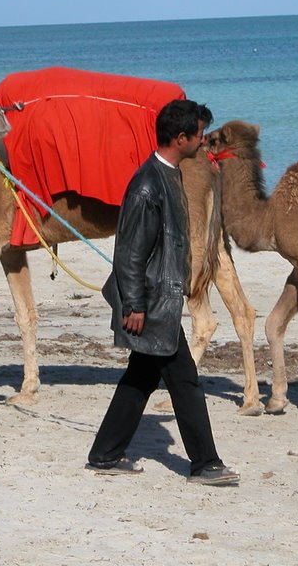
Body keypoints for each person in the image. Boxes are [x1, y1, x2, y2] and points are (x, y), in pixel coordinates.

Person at [86, 99, 239, 487]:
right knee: (184, 381)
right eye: (200, 134)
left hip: (162, 298)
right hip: (153, 303)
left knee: (141, 378)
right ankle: (205, 464)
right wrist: (134, 305)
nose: (205, 141)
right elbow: (130, 253)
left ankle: (104, 454)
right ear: (181, 137)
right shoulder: (147, 184)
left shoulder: (169, 173)